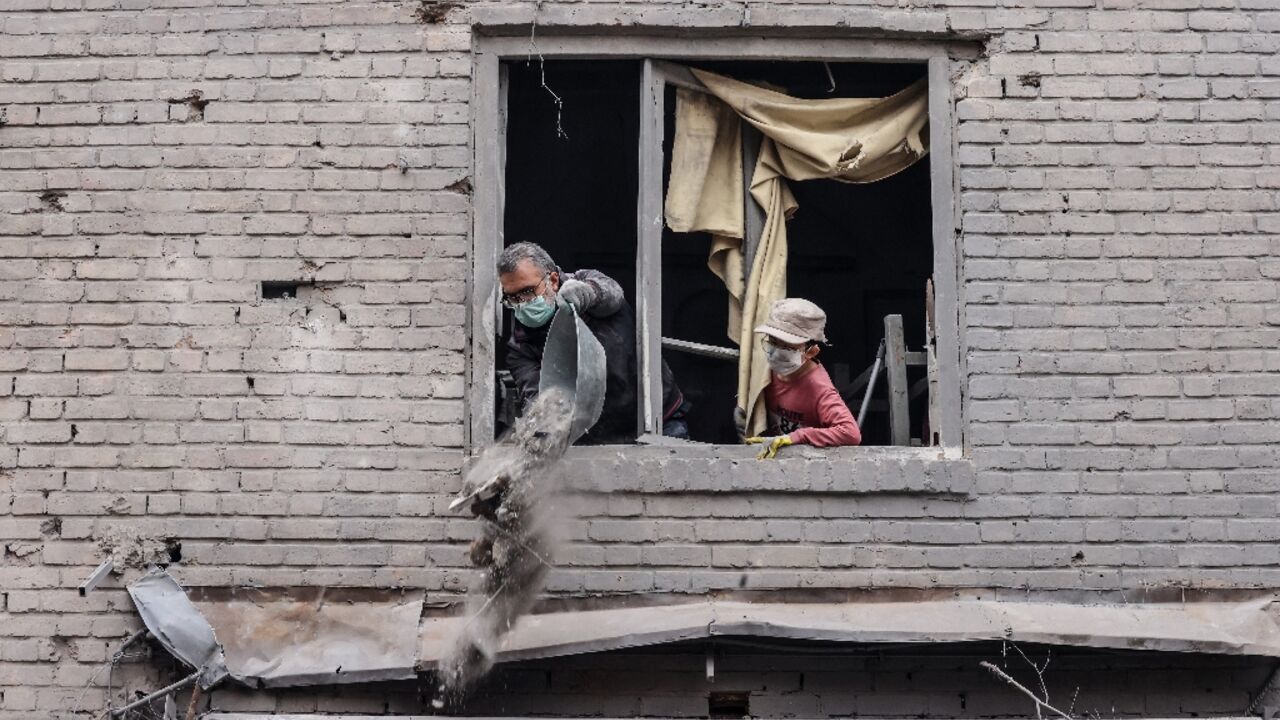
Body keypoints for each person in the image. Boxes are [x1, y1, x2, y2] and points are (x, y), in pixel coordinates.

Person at [499, 242, 688, 443]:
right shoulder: (520, 347)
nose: (522, 304)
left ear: (553, 280)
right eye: (512, 298)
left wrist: (587, 294)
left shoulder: (585, 283)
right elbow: (539, 399)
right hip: (597, 437)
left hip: (656, 420)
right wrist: (540, 426)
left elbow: (612, 294)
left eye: (528, 292)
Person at [742, 298, 861, 458]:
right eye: (772, 341)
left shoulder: (818, 388)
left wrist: (800, 436)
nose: (775, 352)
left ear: (811, 352)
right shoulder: (763, 370)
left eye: (786, 346)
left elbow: (851, 433)